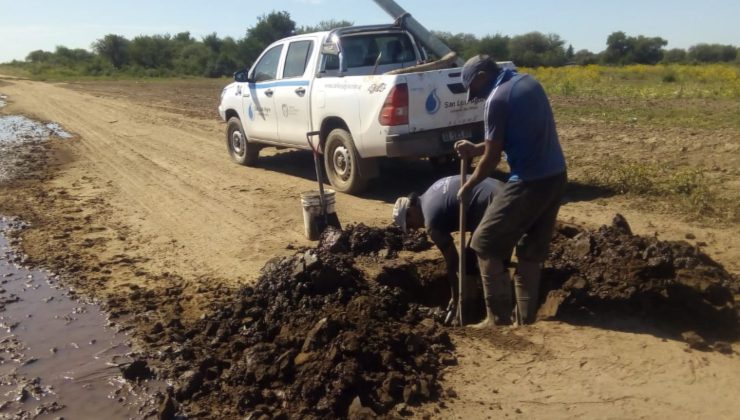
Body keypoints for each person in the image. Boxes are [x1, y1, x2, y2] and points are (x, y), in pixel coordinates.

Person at [454, 55, 567, 327]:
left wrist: (469, 186)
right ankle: (526, 321)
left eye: (474, 89)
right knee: (529, 251)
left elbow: (492, 159)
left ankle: (497, 319)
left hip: (528, 181)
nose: (477, 96)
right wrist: (475, 148)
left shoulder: (497, 99)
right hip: (556, 176)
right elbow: (511, 137)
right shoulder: (528, 82)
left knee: (483, 242)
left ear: (481, 76)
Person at [392, 175, 504, 321]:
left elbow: (452, 261)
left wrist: (456, 295)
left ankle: (487, 313)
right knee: (471, 258)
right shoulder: (430, 192)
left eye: (411, 225)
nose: (415, 229)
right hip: (504, 190)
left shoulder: (430, 220)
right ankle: (475, 306)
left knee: (474, 261)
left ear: (410, 211)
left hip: (494, 205)